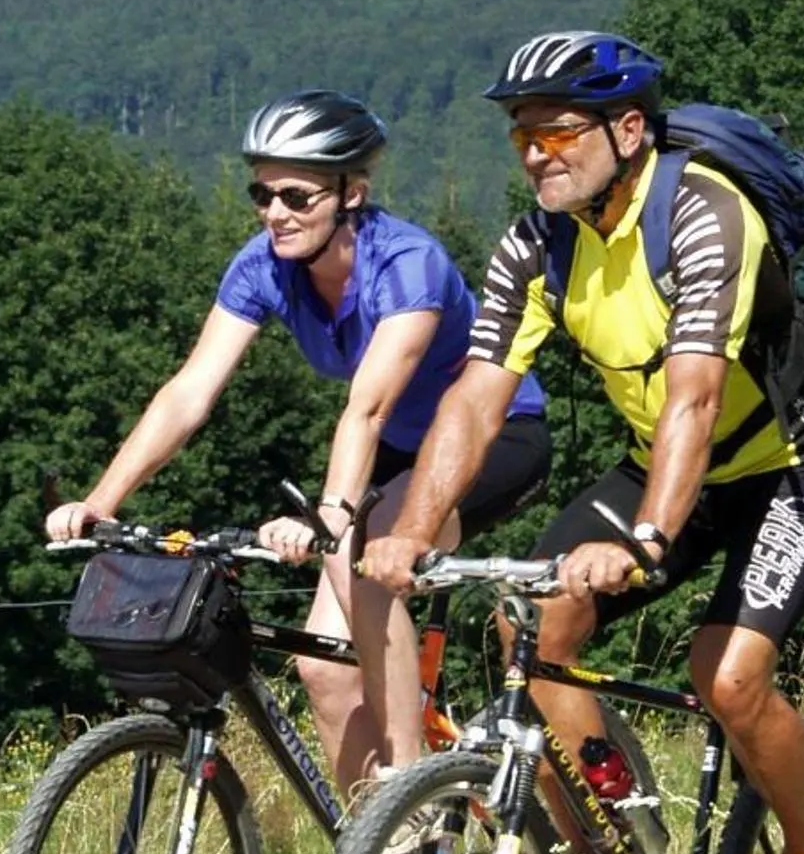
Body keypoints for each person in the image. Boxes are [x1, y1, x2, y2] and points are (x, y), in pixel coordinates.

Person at [362, 30, 804, 854]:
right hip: (657, 461)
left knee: (728, 678)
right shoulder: (536, 243)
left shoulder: (705, 214)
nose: (535, 156)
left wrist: (648, 539)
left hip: (785, 462)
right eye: (522, 138)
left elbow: (695, 397)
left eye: (556, 134)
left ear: (629, 131)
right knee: (532, 631)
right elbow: (476, 398)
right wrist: (412, 530)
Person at [45, 91, 549, 793]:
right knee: (323, 669)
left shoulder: (408, 263)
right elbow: (190, 392)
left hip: (491, 437)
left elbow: (367, 408)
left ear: (351, 194)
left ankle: (414, 788)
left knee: (358, 549)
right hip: (398, 452)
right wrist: (102, 499)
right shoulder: (264, 265)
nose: (273, 212)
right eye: (261, 193)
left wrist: (331, 514)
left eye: (295, 196)